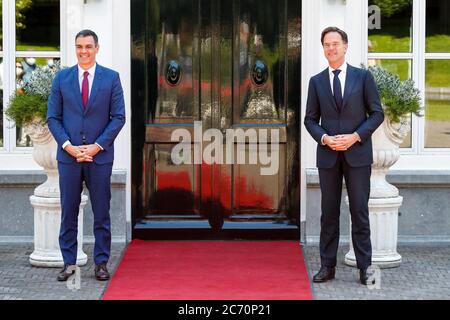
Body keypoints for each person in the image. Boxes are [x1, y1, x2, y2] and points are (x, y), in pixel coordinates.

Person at [304, 27, 384, 285]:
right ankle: (327, 266)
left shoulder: (363, 78)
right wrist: (325, 138)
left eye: (335, 43)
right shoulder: (316, 81)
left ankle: (365, 268)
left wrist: (355, 136)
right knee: (329, 213)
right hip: (328, 156)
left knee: (359, 212)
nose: (331, 48)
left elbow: (377, 114)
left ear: (346, 46)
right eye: (327, 44)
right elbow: (309, 119)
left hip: (358, 155)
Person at [47, 29, 126, 281]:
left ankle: (101, 263)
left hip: (99, 157)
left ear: (97, 48)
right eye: (79, 46)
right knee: (69, 212)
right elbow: (53, 118)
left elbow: (119, 117)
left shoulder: (111, 78)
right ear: (75, 48)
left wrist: (96, 146)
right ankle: (69, 264)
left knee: (101, 212)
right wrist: (68, 146)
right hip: (69, 157)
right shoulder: (62, 78)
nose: (84, 51)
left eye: (88, 46)